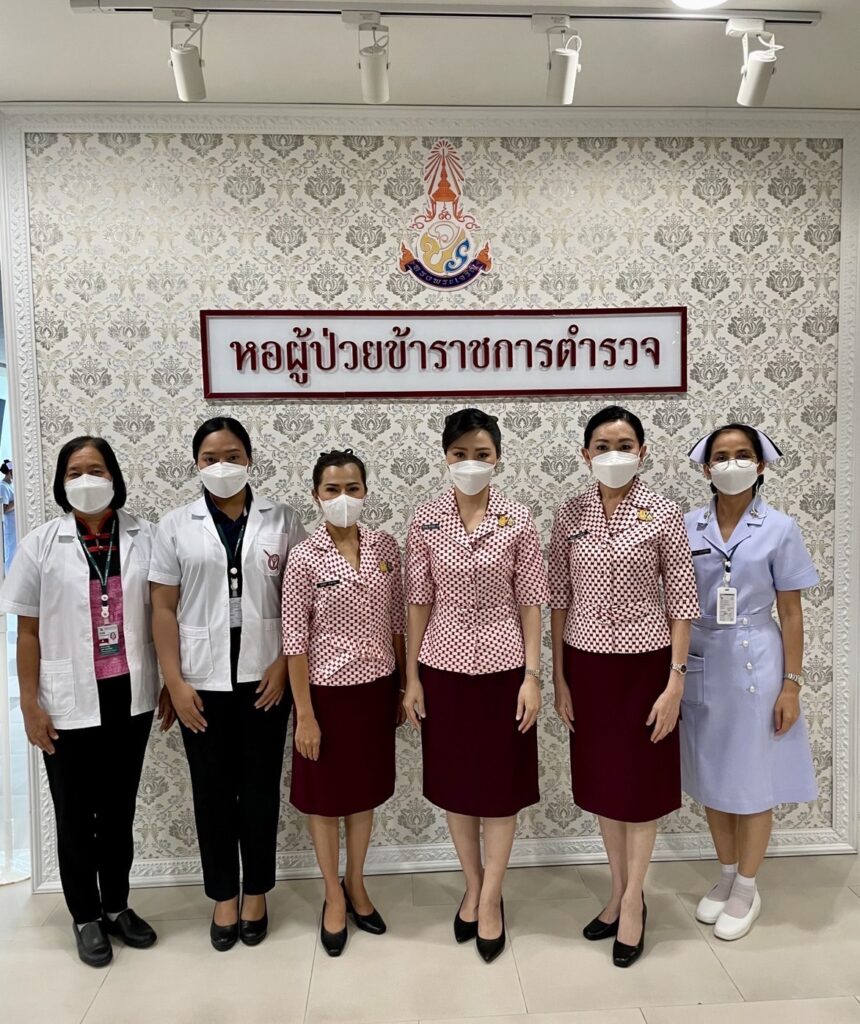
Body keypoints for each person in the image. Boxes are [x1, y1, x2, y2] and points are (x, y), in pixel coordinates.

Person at [0, 437, 165, 967]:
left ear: (115, 476)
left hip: (129, 694)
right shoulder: (41, 544)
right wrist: (29, 703)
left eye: (97, 469)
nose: (86, 480)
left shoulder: (147, 536)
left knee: (118, 810)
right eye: (75, 472)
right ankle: (85, 915)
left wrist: (170, 681)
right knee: (74, 812)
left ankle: (116, 905)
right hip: (66, 699)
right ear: (60, 481)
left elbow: (165, 615)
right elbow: (28, 632)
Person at [548, 405, 700, 968]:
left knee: (640, 789)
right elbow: (557, 598)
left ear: (643, 452)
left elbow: (683, 601)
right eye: (603, 445)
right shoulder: (569, 513)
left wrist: (675, 681)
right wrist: (559, 676)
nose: (614, 454)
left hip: (646, 668)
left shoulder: (663, 513)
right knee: (605, 786)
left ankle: (634, 900)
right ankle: (615, 892)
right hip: (587, 666)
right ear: (585, 454)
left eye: (625, 444)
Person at [149, 417, 306, 951]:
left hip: (267, 677)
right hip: (200, 682)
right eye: (211, 458)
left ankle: (256, 891)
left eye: (233, 455)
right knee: (212, 791)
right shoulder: (175, 525)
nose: (222, 466)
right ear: (196, 464)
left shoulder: (282, 519)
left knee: (260, 788)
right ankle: (222, 894)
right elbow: (163, 609)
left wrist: (284, 663)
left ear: (250, 459)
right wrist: (174, 681)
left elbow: (300, 600)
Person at [403, 408, 548, 965]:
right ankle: (472, 884)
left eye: (481, 454)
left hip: (505, 670)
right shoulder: (426, 520)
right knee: (457, 787)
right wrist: (412, 678)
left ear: (498, 459)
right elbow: (418, 603)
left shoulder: (518, 518)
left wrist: (532, 676)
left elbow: (531, 601)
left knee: (500, 789)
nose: (470, 463)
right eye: (460, 454)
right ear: (446, 458)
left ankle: (491, 899)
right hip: (442, 669)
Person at [682, 424, 819, 941]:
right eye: (721, 455)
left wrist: (791, 684)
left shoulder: (779, 528)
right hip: (702, 657)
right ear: (706, 467)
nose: (731, 464)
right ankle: (724, 875)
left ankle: (746, 886)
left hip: (756, 659)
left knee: (753, 778)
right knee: (713, 775)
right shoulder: (688, 525)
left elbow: (792, 612)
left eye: (743, 455)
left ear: (760, 466)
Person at [282, 449, 406, 957]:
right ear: (316, 495)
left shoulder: (384, 547)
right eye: (332, 489)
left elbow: (397, 621)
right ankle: (332, 895)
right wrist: (305, 715)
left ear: (365, 492)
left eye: (353, 488)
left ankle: (356, 882)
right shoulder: (304, 557)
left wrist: (402, 687)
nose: (343, 498)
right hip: (325, 697)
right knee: (325, 799)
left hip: (376, 690)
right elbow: (294, 642)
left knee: (362, 793)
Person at [0, 458, 17, 574]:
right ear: (10, 472)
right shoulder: (3, 487)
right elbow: (3, 509)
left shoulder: (12, 485)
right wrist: (17, 500)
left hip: (15, 522)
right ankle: (9, 575)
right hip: (9, 524)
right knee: (11, 551)